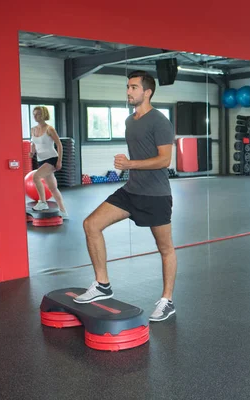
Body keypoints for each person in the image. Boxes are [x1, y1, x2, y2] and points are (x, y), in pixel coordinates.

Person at [74, 70, 177, 323]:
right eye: (128, 87)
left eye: (133, 87)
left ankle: (167, 301)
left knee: (165, 249)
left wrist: (130, 164)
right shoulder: (130, 120)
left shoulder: (160, 121)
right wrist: (130, 166)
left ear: (147, 92)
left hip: (156, 195)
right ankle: (102, 285)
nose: (128, 91)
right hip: (131, 191)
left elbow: (165, 160)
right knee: (91, 224)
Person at [30, 106, 68, 218]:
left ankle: (43, 202)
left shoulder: (49, 129)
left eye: (38, 114)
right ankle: (63, 212)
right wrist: (31, 152)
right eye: (34, 114)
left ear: (43, 115)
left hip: (52, 158)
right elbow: (34, 143)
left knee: (36, 177)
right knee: (52, 188)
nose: (35, 116)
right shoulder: (33, 129)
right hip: (41, 160)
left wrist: (60, 161)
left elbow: (59, 145)